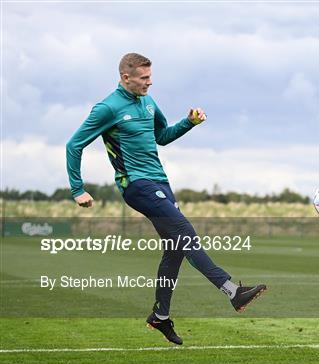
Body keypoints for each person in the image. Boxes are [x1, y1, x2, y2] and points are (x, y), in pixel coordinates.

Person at [66, 53, 266, 345]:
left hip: (160, 183)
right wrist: (77, 189)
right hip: (135, 184)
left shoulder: (148, 102)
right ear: (126, 77)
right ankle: (232, 291)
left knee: (175, 249)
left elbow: (162, 135)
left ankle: (160, 316)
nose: (150, 82)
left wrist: (188, 123)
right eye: (144, 78)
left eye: (150, 76)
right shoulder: (107, 108)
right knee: (185, 233)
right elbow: (74, 145)